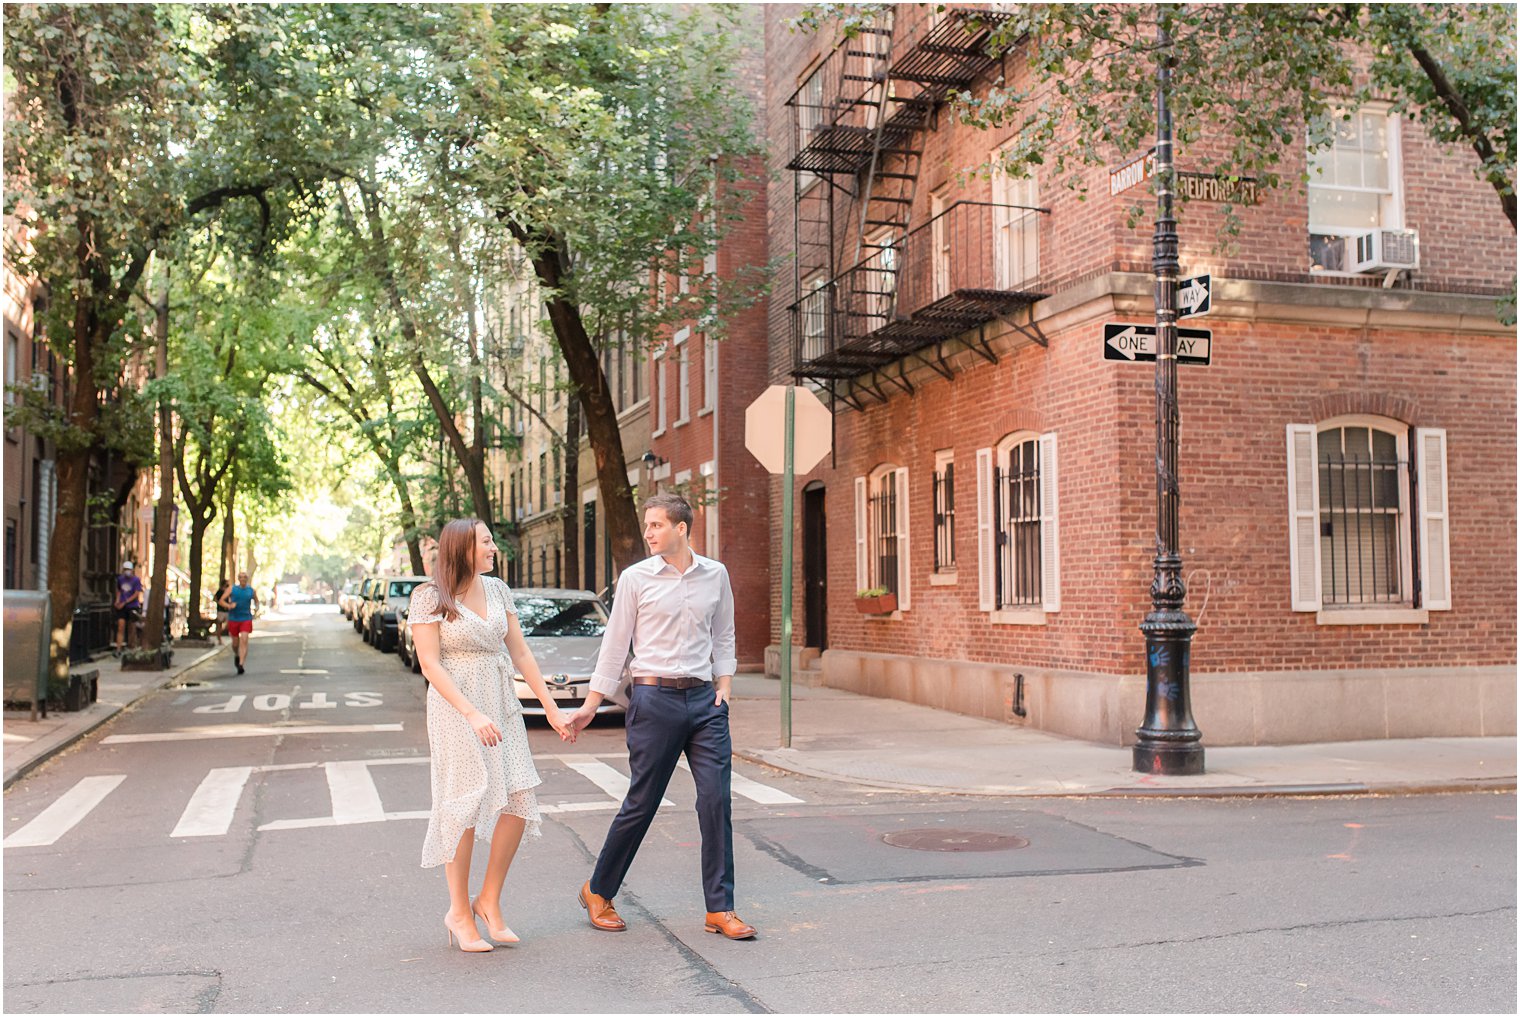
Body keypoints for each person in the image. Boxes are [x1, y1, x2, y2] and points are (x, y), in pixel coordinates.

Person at [566, 493, 755, 941]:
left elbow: (724, 633)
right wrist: (593, 703)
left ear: (682, 528)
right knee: (643, 802)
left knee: (716, 801)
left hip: (705, 703)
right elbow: (615, 645)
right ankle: (598, 889)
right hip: (654, 701)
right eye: (647, 525)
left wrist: (724, 685)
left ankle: (720, 908)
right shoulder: (636, 579)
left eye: (655, 525)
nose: (648, 533)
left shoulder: (716, 575)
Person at [410, 518, 577, 953]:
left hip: (502, 701)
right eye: (486, 542)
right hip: (457, 707)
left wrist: (551, 707)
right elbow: (430, 664)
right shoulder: (429, 597)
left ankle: (488, 900)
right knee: (464, 804)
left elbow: (519, 651)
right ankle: (459, 913)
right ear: (463, 547)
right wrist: (470, 713)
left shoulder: (498, 589)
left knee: (519, 800)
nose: (493, 548)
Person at [219, 572, 258, 675]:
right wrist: (229, 606)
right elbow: (221, 601)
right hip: (234, 618)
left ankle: (241, 664)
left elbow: (257, 601)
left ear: (247, 579)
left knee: (244, 640)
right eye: (241, 577)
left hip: (246, 618)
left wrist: (256, 610)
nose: (243, 579)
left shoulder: (251, 591)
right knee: (235, 643)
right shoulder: (232, 589)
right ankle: (237, 654)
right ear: (238, 579)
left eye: (245, 577)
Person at [112, 561, 144, 656]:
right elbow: (119, 591)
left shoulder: (136, 580)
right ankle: (119, 648)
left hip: (132, 606)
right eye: (125, 570)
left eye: (128, 570)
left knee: (132, 627)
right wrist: (117, 601)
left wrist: (125, 602)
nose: (127, 572)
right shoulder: (120, 579)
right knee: (120, 626)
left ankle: (132, 647)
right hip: (122, 607)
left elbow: (136, 593)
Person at [213, 580, 231, 646]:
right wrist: (220, 604)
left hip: (227, 611)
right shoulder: (219, 591)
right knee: (219, 624)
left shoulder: (228, 592)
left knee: (229, 623)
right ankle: (219, 639)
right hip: (221, 610)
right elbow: (215, 599)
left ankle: (227, 633)